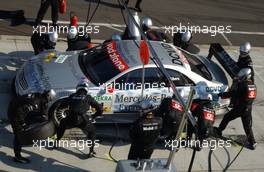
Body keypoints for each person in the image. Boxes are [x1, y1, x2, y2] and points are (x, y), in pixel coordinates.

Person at [55, 79, 103, 158]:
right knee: (92, 132)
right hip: (83, 121)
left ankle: (56, 142)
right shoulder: (88, 97)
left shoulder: (71, 96)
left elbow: (62, 105)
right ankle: (91, 151)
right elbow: (100, 110)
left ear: (77, 88)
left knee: (62, 124)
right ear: (86, 89)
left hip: (70, 119)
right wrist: (93, 117)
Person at [8, 90, 56, 163]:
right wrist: (23, 124)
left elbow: (44, 111)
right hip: (14, 111)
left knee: (39, 118)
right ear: (48, 97)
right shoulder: (35, 103)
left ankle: (50, 140)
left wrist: (44, 119)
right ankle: (17, 157)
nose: (49, 101)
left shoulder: (41, 97)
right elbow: (19, 111)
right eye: (49, 100)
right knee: (19, 134)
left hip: (22, 109)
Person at [215, 68, 257, 150]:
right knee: (247, 126)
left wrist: (222, 95)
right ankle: (253, 143)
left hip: (240, 108)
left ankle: (219, 130)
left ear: (246, 76)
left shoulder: (242, 85)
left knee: (227, 117)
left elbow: (233, 93)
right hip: (248, 108)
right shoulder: (253, 85)